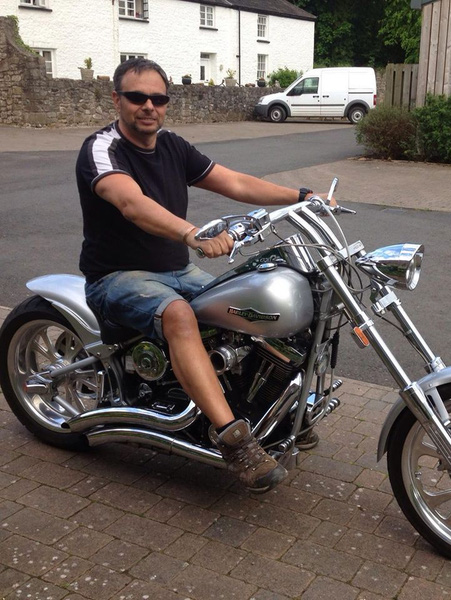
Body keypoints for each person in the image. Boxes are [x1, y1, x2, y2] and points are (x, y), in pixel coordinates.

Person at [76, 58, 329, 493]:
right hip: (116, 276)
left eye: (158, 98)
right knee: (178, 315)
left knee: (253, 305)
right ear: (116, 99)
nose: (149, 106)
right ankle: (233, 440)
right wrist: (193, 234)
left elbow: (234, 182)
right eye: (137, 97)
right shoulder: (102, 149)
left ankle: (278, 408)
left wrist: (302, 196)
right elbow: (132, 203)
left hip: (176, 269)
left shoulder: (172, 146)